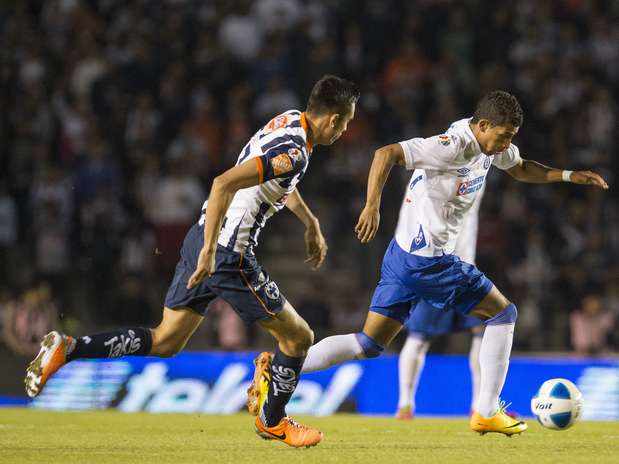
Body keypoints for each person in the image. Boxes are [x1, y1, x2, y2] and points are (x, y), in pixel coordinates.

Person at [24, 74, 360, 449]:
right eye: (345, 122)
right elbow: (222, 183)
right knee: (299, 337)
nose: (345, 131)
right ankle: (273, 420)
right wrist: (212, 252)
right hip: (227, 253)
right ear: (333, 118)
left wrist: (309, 221)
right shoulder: (296, 150)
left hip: (201, 234)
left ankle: (68, 348)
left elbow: (277, 179)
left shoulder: (289, 121)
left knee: (165, 340)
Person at [296, 90, 608, 436]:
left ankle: (282, 365)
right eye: (503, 136)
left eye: (511, 138)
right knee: (503, 313)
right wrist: (372, 206)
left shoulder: (492, 146)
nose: (506, 145)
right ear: (484, 125)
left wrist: (568, 176)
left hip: (402, 258)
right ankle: (486, 410)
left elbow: (520, 168)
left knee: (369, 343)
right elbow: (386, 153)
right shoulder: (451, 145)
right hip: (429, 260)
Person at [396, 184, 484, 420]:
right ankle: (405, 403)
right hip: (435, 266)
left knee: (486, 327)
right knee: (419, 337)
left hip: (465, 267)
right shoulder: (436, 170)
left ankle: (481, 406)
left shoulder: (476, 164)